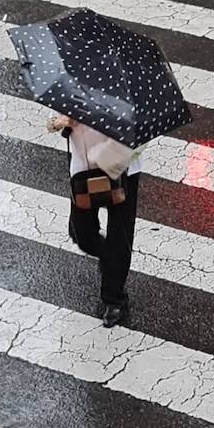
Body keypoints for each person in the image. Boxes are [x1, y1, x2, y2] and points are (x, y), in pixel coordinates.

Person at [47, 115, 143, 327]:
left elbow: (139, 132)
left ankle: (114, 298)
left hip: (120, 169)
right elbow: (55, 118)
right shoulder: (75, 85)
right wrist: (60, 122)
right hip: (82, 169)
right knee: (81, 233)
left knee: (120, 235)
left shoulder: (125, 91)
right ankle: (110, 261)